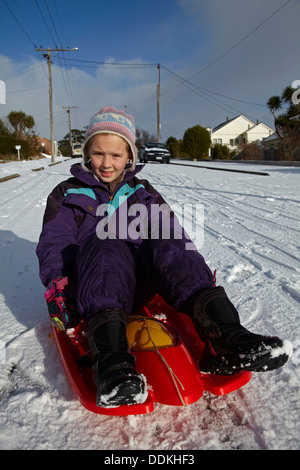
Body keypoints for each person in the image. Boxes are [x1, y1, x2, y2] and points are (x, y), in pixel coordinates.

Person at [36, 107, 292, 408]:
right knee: (105, 238)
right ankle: (113, 368)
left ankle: (227, 339)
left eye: (116, 156)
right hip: (95, 286)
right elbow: (55, 242)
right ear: (87, 152)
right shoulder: (68, 193)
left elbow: (169, 228)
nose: (107, 163)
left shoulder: (141, 191)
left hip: (138, 283)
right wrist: (59, 287)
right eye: (99, 153)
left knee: (170, 240)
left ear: (129, 157)